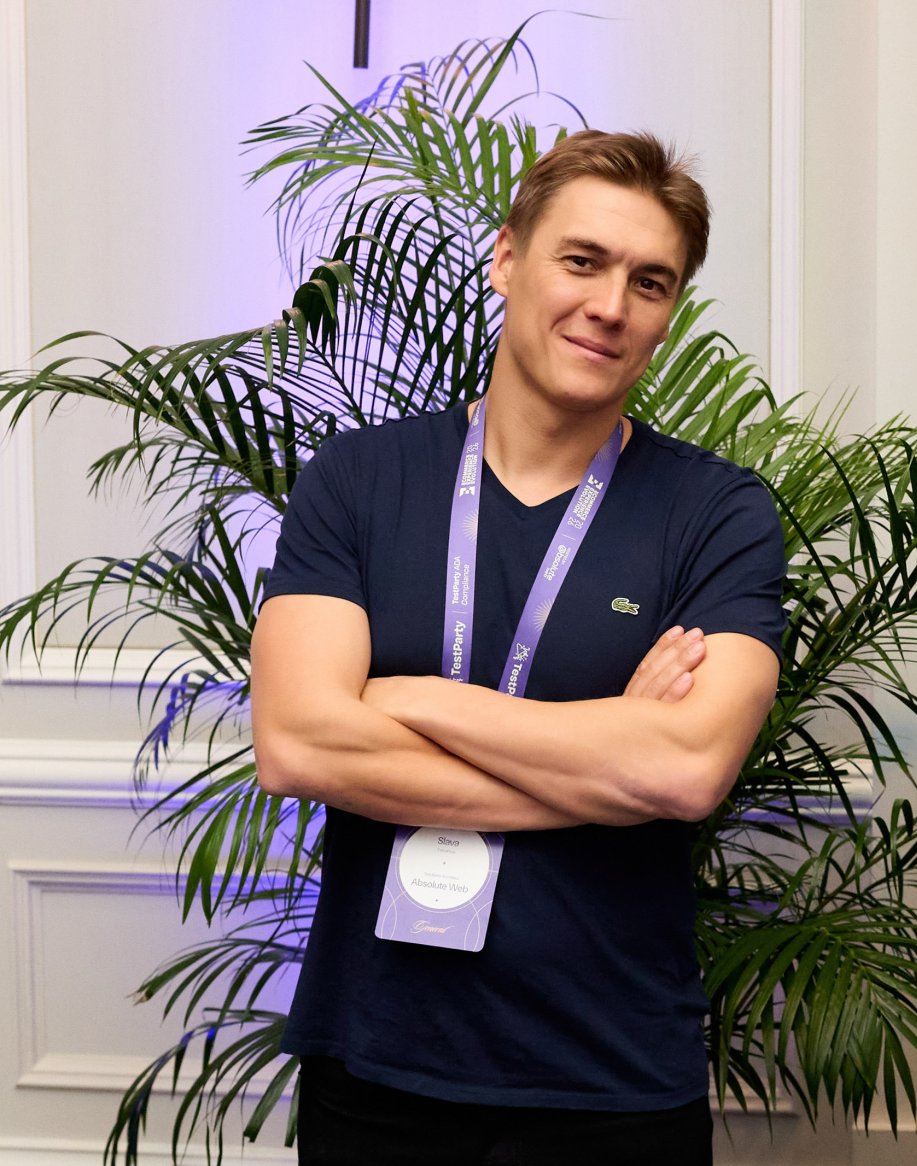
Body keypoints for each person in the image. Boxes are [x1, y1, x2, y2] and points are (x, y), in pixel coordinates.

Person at [251, 130, 786, 1166]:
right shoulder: (358, 480)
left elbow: (686, 769)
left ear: (669, 311)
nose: (610, 304)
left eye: (649, 282)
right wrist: (607, 757)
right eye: (581, 261)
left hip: (613, 1080)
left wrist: (407, 696)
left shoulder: (716, 513)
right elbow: (298, 744)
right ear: (507, 258)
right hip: (377, 1067)